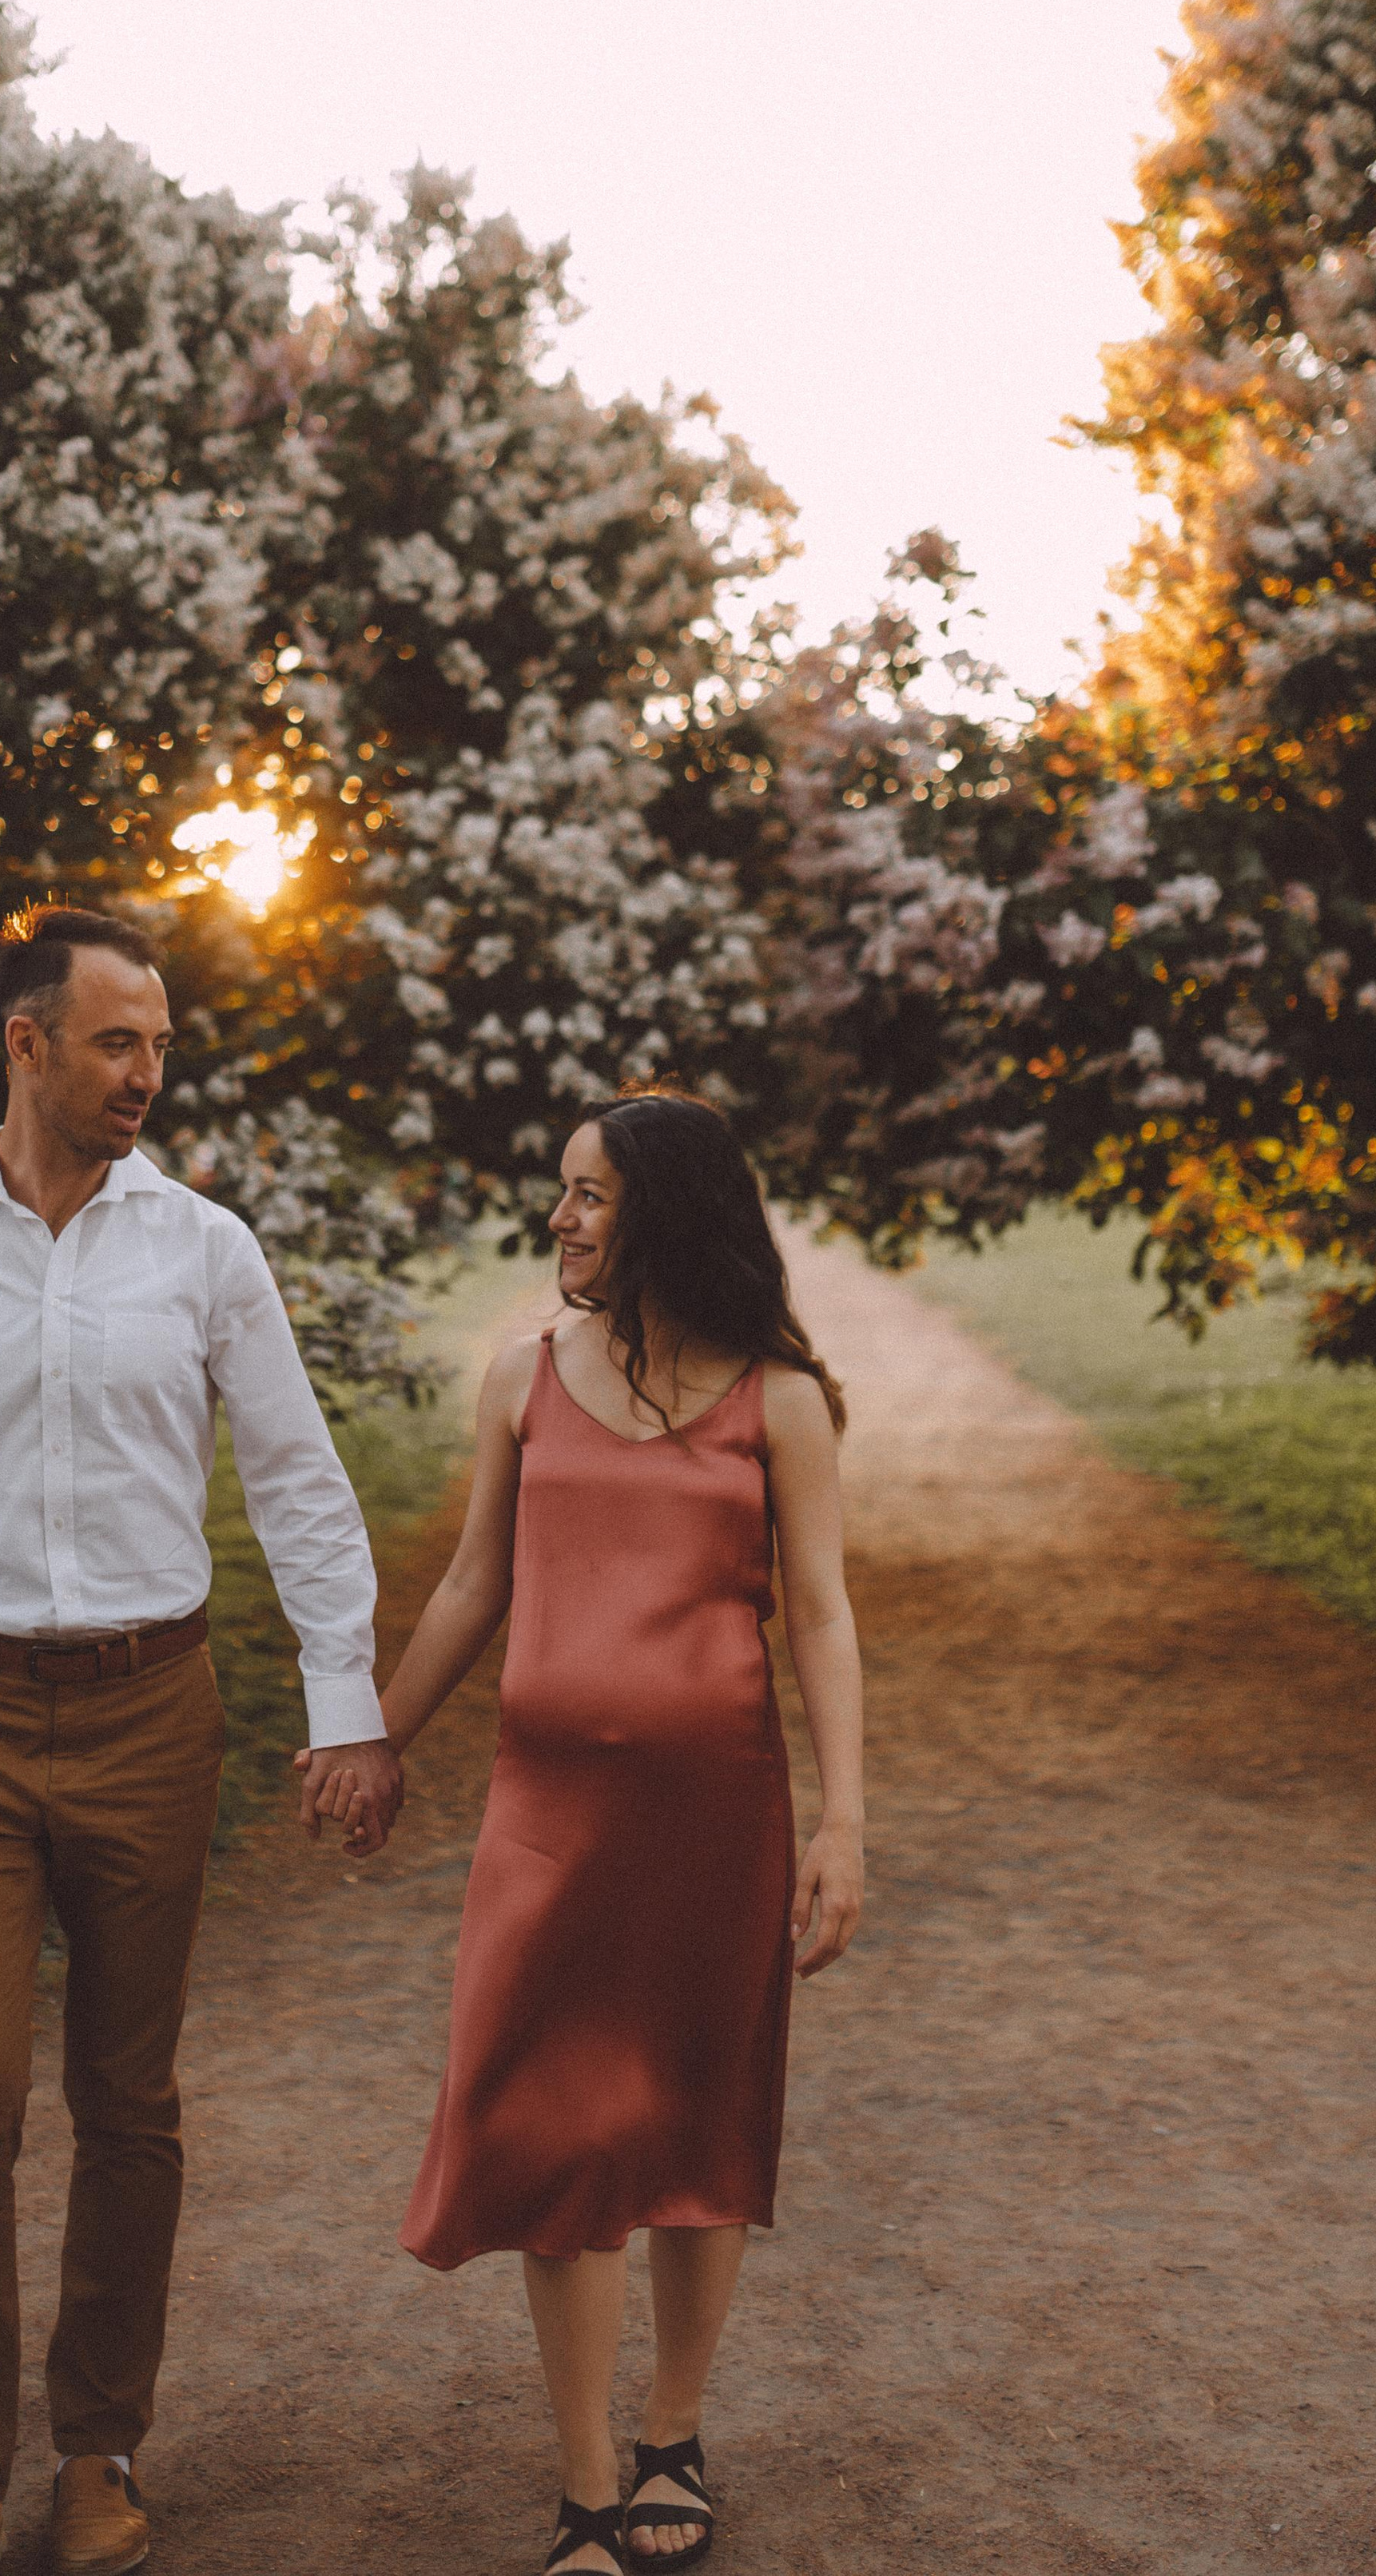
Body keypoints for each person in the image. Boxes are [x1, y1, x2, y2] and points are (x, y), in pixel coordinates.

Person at [0, 904, 401, 2576]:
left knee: (127, 2100)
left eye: (159, 1045)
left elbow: (295, 1480)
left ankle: (100, 2450)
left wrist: (343, 1705)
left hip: (152, 1712)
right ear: (27, 1041)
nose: (147, 1073)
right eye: (117, 1041)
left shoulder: (203, 1252)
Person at [320, 1090, 862, 2574]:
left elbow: (818, 1610)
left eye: (589, 1196)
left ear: (667, 1214)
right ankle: (580, 2490)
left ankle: (671, 2433)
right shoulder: (521, 1377)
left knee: (696, 2122)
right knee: (560, 2128)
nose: (560, 1218)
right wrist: (374, 1735)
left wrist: (846, 1822)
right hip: (546, 1825)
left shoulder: (781, 1397)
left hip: (717, 1821)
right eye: (561, 1192)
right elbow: (470, 1586)